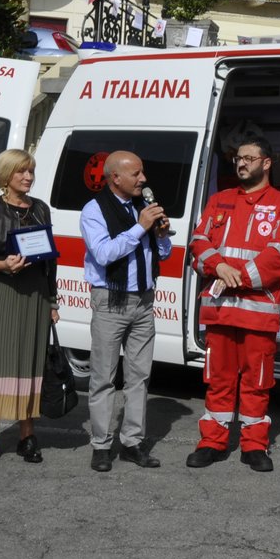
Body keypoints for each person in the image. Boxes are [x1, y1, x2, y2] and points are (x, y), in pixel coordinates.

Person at [186, 136, 280, 472]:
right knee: (218, 379)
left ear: (267, 163)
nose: (241, 163)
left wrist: (238, 277)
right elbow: (198, 241)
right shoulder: (219, 200)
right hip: (220, 310)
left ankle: (254, 445)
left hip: (257, 313)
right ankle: (212, 442)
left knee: (257, 381)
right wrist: (218, 266)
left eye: (249, 157)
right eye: (238, 157)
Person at [79, 150, 172, 472]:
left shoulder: (142, 207)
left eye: (142, 172)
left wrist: (159, 235)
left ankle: (133, 442)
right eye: (136, 174)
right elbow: (104, 254)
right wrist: (139, 227)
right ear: (115, 178)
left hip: (144, 301)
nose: (143, 179)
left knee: (139, 377)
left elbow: (160, 253)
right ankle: (101, 446)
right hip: (110, 301)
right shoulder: (94, 210)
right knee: (103, 377)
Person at [0, 149, 59, 467]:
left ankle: (26, 435)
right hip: (0, 292)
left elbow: (51, 261)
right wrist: (2, 265)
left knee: (29, 363)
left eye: (31, 171)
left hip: (35, 295)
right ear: (6, 176)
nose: (29, 177)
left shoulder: (41, 209)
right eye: (22, 172)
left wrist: (53, 300)